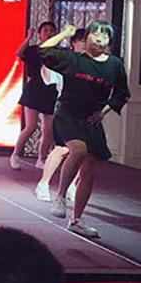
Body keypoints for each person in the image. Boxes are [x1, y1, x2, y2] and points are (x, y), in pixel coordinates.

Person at [40, 21, 130, 239]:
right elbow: (43, 51)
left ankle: (77, 220)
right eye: (95, 34)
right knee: (78, 150)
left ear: (109, 41)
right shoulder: (73, 59)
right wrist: (64, 33)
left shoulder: (115, 65)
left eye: (104, 36)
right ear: (86, 37)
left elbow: (122, 94)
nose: (99, 39)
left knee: (89, 170)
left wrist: (103, 112)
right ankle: (60, 196)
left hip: (92, 119)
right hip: (67, 113)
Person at [35, 28, 87, 203]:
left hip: (87, 112)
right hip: (66, 110)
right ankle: (43, 184)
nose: (85, 44)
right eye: (82, 41)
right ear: (73, 43)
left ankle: (71, 184)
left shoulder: (95, 64)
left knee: (83, 151)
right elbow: (47, 69)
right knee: (62, 148)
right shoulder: (66, 61)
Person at [10, 22, 59, 171]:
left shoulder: (59, 53)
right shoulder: (33, 50)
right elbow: (18, 53)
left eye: (52, 31)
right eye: (45, 31)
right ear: (40, 34)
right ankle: (15, 155)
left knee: (48, 130)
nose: (49, 33)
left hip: (51, 91)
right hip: (34, 90)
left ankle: (41, 159)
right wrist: (28, 37)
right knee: (30, 126)